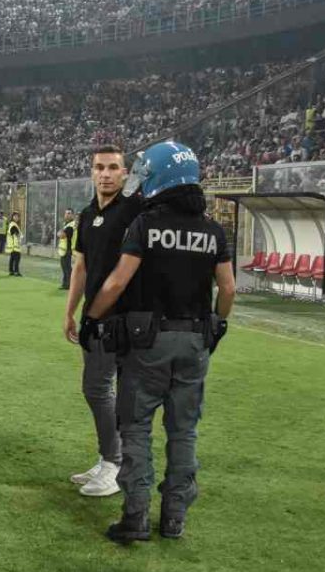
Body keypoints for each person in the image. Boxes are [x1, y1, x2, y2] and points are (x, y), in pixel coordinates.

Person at [82, 141, 236, 543]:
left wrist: (92, 316)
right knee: (184, 432)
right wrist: (218, 325)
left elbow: (117, 281)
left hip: (148, 341)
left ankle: (135, 518)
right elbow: (228, 288)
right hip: (196, 340)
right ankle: (174, 519)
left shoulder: (145, 225)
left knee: (136, 428)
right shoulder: (213, 230)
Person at [63, 145, 143, 498]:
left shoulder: (135, 212)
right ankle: (109, 458)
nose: (106, 173)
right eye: (99, 167)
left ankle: (114, 463)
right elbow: (80, 266)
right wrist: (70, 311)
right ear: (92, 172)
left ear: (125, 174)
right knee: (100, 389)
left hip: (124, 319)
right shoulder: (85, 214)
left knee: (103, 389)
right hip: (93, 317)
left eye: (113, 167)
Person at [57, 209, 77, 290]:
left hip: (68, 249)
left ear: (72, 215)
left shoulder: (70, 225)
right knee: (65, 267)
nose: (67, 215)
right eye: (66, 213)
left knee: (67, 268)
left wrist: (59, 233)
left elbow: (62, 235)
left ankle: (69, 284)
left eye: (69, 213)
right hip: (64, 249)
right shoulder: (67, 224)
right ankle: (66, 284)